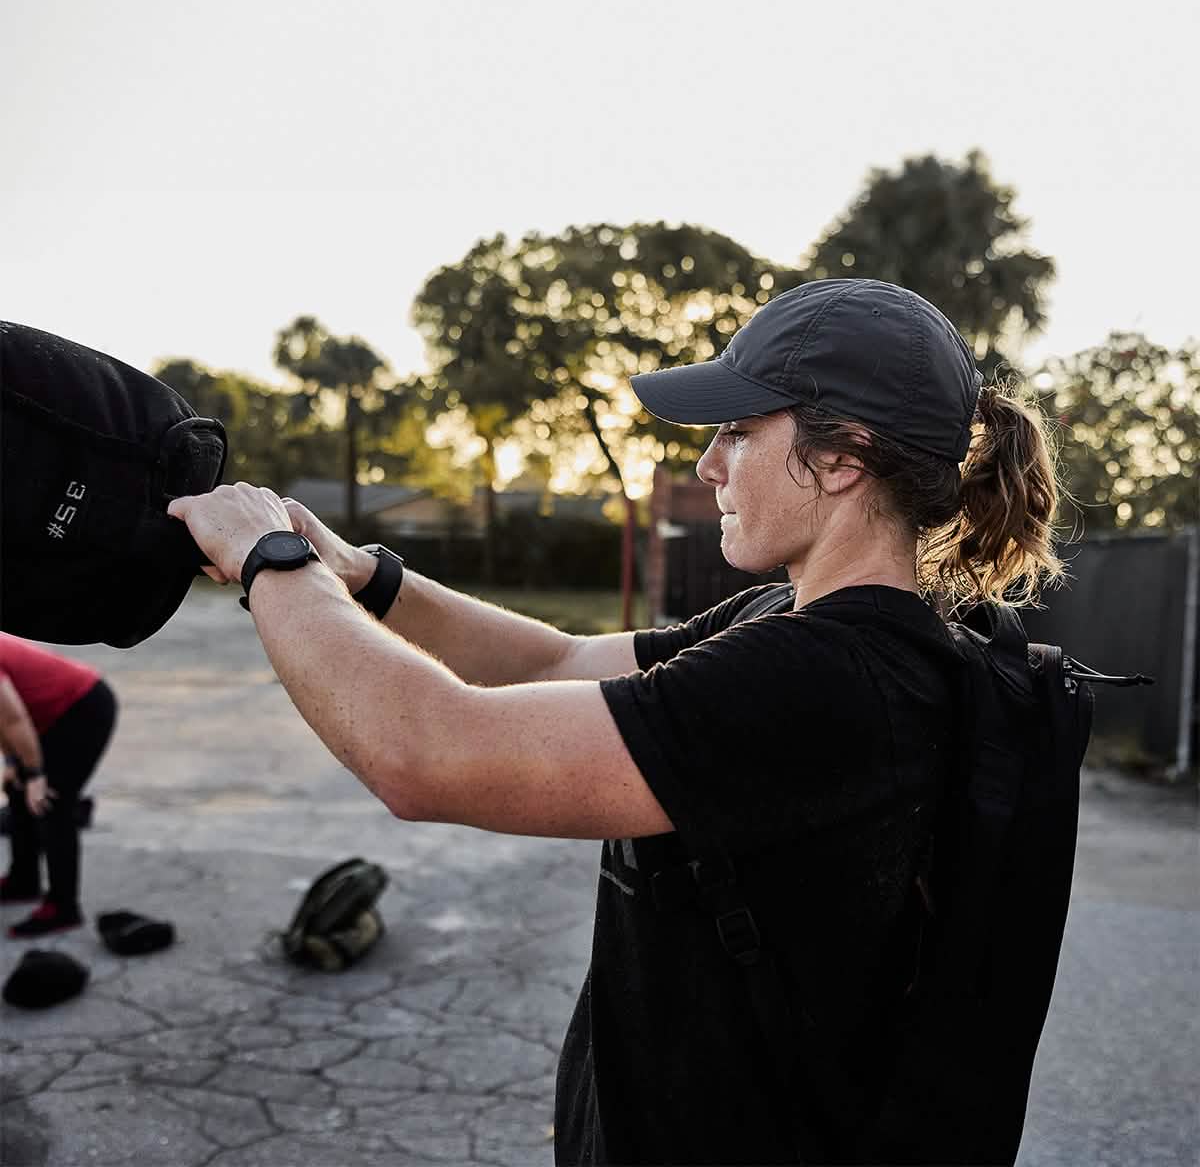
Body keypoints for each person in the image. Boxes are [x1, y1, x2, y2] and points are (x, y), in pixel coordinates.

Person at [167, 278, 1063, 1165]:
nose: (708, 465)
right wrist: (364, 575)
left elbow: (426, 754)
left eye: (739, 432)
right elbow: (555, 659)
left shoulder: (828, 681)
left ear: (841, 457)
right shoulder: (787, 626)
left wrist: (270, 560)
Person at [1, 635, 118, 937]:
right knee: (17, 791)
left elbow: (13, 720)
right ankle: (23, 881)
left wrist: (37, 774)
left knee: (52, 803)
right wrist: (14, 764)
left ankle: (63, 908)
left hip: (85, 708)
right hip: (45, 716)